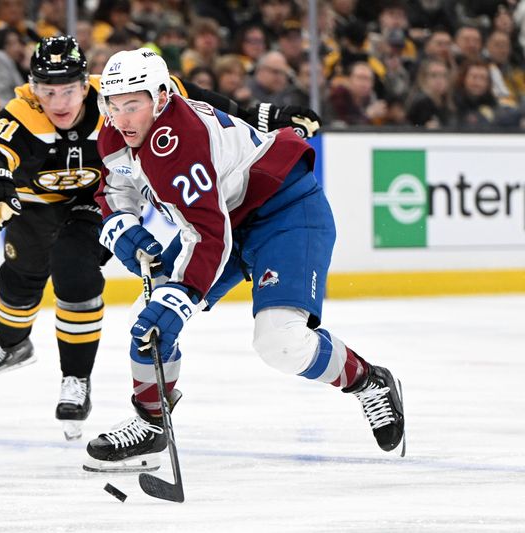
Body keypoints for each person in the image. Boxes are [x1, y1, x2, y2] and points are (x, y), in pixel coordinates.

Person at [0, 36, 323, 441]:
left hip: (94, 202)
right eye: (47, 91)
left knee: (75, 268)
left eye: (68, 90)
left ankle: (77, 380)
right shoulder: (28, 113)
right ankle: (12, 344)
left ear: (85, 83)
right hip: (41, 202)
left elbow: (197, 100)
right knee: (20, 271)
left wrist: (265, 115)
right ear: (32, 88)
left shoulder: (128, 96)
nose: (59, 102)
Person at [84, 48, 405, 472]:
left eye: (133, 105)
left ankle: (368, 381)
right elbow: (115, 187)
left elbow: (208, 235)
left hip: (285, 210)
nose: (121, 118)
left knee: (280, 342)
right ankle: (151, 425)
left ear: (161, 97)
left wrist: (181, 297)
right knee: (147, 320)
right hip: (224, 217)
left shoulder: (179, 142)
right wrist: (121, 226)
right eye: (114, 105)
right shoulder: (114, 132)